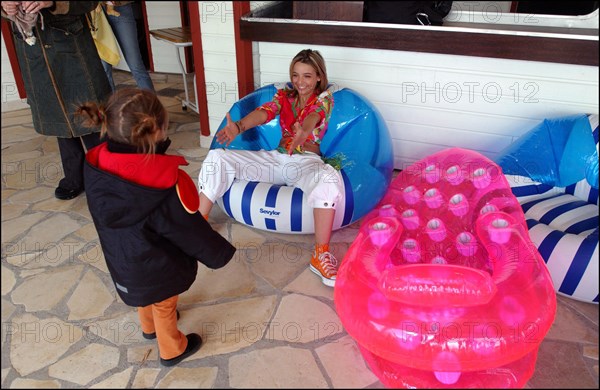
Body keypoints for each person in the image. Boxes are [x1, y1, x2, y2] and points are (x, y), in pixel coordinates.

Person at [78, 87, 236, 366]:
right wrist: (217, 253)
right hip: (158, 264)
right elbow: (187, 229)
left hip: (122, 259)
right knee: (164, 304)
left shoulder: (96, 169)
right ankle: (172, 348)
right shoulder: (167, 184)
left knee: (145, 297)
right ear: (152, 130)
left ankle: (148, 327)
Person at [197, 49, 343, 287]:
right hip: (277, 159)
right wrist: (239, 127)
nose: (300, 81)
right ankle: (197, 224)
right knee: (218, 158)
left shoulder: (325, 98)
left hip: (306, 162)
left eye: (307, 76)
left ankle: (320, 254)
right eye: (295, 75)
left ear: (318, 77)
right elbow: (266, 112)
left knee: (328, 178)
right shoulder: (284, 95)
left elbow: (314, 117)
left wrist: (303, 132)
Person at [1, 1, 112, 200]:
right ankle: (74, 177)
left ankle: (109, 176)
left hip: (70, 42)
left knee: (89, 115)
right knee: (57, 114)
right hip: (32, 47)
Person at [100, 1, 154, 92]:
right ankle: (111, 105)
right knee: (104, 69)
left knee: (136, 64)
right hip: (96, 12)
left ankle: (152, 105)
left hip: (121, 7)